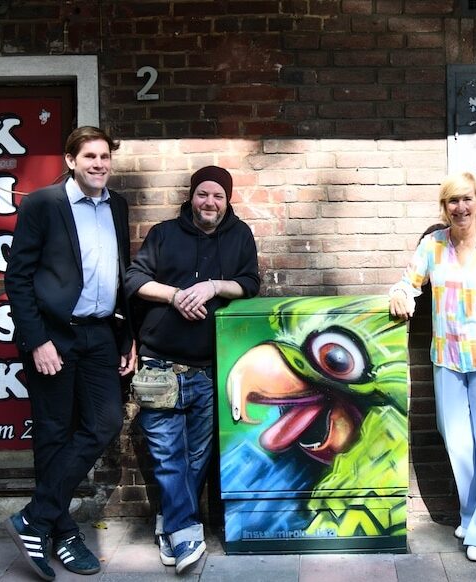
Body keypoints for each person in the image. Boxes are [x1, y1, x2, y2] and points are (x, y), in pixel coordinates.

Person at [3, 126, 136, 581]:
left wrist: (127, 336)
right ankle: (61, 531)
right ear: (70, 161)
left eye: (105, 157)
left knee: (104, 422)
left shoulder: (116, 205)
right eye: (90, 157)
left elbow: (121, 275)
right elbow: (17, 278)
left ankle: (35, 517)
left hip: (100, 334)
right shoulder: (44, 204)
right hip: (54, 336)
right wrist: (36, 339)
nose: (99, 164)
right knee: (54, 434)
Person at [126, 165, 260, 575]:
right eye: (203, 194)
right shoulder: (164, 234)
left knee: (198, 455)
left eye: (218, 196)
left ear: (227, 200)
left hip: (207, 368)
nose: (210, 202)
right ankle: (184, 530)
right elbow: (133, 280)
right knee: (168, 454)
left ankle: (170, 517)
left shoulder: (240, 236)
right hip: (160, 364)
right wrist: (176, 295)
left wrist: (215, 286)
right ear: (191, 196)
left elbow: (250, 283)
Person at [388, 172, 476, 562]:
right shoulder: (432, 245)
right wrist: (401, 295)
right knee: (458, 441)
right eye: (452, 201)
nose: (460, 208)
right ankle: (472, 514)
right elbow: (408, 283)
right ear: (444, 207)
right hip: (447, 359)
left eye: (466, 199)